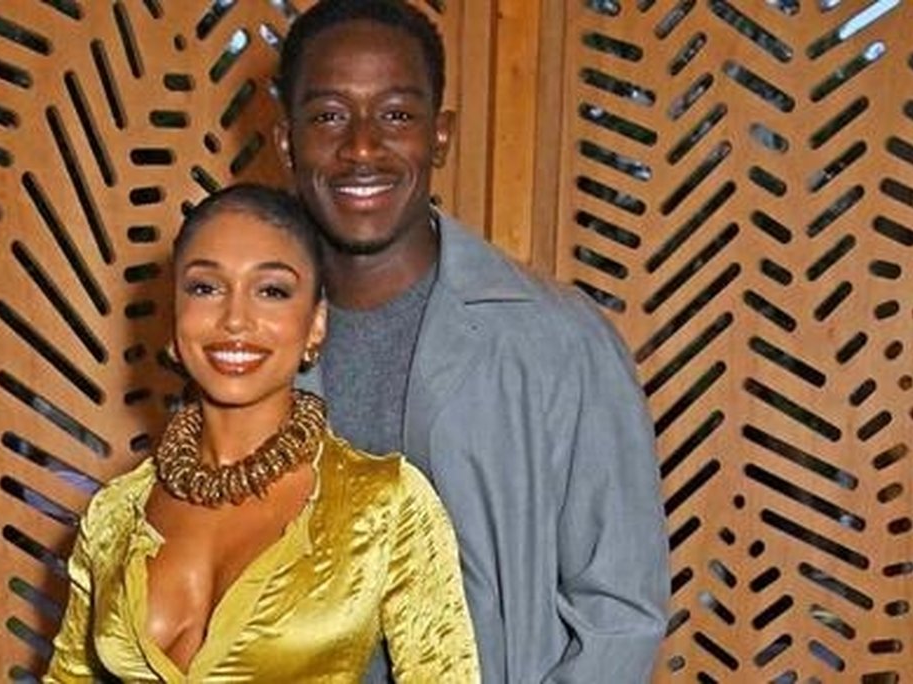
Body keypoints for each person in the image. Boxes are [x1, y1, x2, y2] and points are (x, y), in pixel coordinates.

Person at [272, 1, 670, 682]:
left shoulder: (560, 342)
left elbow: (620, 611)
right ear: (287, 142)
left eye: (396, 115)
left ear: (441, 136)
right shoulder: (247, 345)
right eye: (329, 116)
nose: (362, 146)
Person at [44, 184, 479, 683]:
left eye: (271, 291)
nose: (234, 319)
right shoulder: (114, 514)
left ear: (316, 324)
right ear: (174, 317)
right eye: (205, 288)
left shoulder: (384, 503)